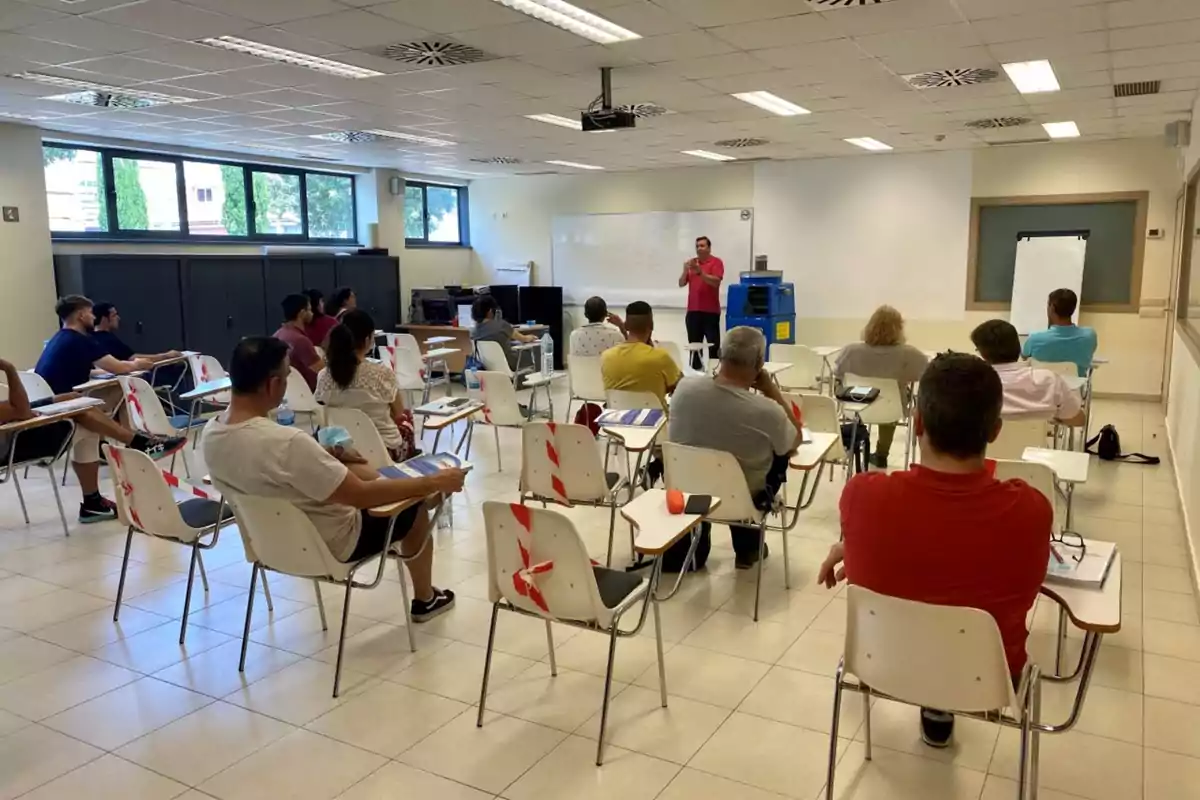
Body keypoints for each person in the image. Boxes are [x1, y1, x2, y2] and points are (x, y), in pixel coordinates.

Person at [817, 353, 1051, 748]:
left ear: (918, 422)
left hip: (882, 665)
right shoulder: (1030, 509)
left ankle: (933, 704)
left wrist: (851, 545)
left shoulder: (863, 495)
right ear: (994, 431)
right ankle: (941, 703)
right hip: (989, 682)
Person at [203, 336, 462, 621]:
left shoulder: (212, 433)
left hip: (269, 545)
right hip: (331, 543)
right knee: (414, 508)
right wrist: (431, 483)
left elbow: (269, 468)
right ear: (273, 384)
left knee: (364, 471)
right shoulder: (287, 442)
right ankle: (425, 598)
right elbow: (360, 496)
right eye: (287, 375)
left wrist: (324, 454)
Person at [668, 326, 804, 569]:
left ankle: (699, 542)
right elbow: (794, 442)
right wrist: (772, 391)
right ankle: (747, 549)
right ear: (760, 363)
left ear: (720, 354)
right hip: (741, 499)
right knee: (766, 457)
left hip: (688, 490)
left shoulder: (684, 389)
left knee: (714, 449)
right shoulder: (766, 410)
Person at [3, 356, 186, 524]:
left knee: (77, 401)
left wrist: (54, 400)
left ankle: (135, 444)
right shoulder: (77, 339)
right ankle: (93, 501)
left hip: (13, 433)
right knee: (86, 426)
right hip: (11, 447)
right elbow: (21, 412)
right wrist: (9, 368)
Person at [834, 305, 929, 469]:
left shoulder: (851, 351)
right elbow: (925, 375)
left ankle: (856, 440)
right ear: (899, 329)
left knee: (865, 395)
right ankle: (881, 454)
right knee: (893, 399)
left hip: (857, 404)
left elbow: (838, 376)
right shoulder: (910, 354)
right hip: (891, 409)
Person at [316, 310, 417, 463]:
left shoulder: (324, 375)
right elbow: (399, 414)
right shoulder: (382, 374)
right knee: (407, 417)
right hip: (384, 451)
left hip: (343, 449)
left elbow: (321, 410)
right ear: (368, 339)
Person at [972, 319, 1085, 426]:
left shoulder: (973, 385)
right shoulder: (1049, 380)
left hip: (990, 445)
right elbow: (1078, 420)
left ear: (983, 354)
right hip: (1039, 446)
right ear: (1018, 347)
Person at [601, 301, 682, 410]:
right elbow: (680, 386)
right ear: (651, 325)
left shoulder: (607, 357)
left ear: (626, 325)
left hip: (617, 423)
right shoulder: (660, 357)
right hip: (655, 423)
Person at [1021, 288, 1097, 377]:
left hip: (1042, 389)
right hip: (1073, 389)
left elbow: (1024, 358)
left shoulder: (1034, 339)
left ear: (1052, 307)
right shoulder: (1089, 336)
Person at [678, 235, 724, 371]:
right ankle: (696, 374)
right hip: (693, 312)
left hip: (710, 312)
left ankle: (714, 374)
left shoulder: (716, 262)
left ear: (709, 248)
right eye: (697, 246)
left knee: (713, 346)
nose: (699, 248)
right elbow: (681, 283)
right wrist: (685, 270)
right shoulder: (692, 263)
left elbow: (715, 282)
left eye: (702, 246)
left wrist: (700, 272)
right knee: (695, 347)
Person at [91, 303, 182, 364]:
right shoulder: (107, 339)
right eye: (114, 315)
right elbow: (133, 358)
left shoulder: (90, 338)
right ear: (104, 319)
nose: (118, 318)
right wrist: (166, 356)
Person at [471, 294, 537, 373]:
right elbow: (524, 339)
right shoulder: (502, 325)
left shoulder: (474, 331)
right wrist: (531, 337)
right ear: (490, 311)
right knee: (531, 353)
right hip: (508, 363)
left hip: (487, 365)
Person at [273, 294, 325, 391]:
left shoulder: (277, 334)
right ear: (302, 313)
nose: (312, 313)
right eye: (309, 310)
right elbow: (323, 372)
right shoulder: (300, 340)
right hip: (308, 394)